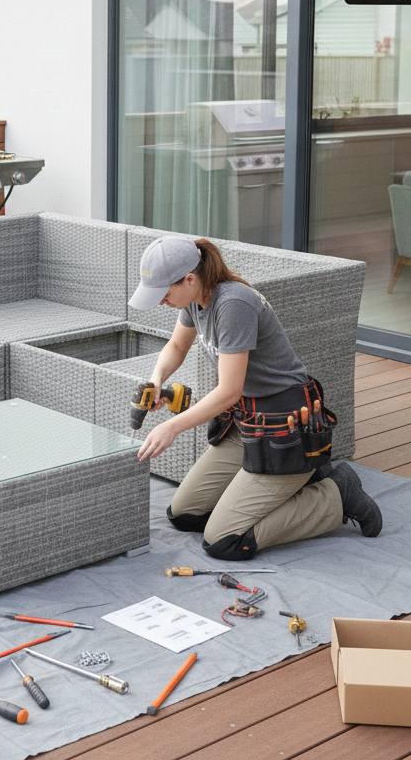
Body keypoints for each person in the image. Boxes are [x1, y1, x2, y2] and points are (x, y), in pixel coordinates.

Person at [129, 235, 382, 561]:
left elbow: (228, 391)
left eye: (164, 294)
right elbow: (177, 347)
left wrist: (172, 427)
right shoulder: (195, 300)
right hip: (247, 425)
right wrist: (156, 379)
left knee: (223, 541)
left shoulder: (234, 304)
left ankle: (335, 494)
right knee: (184, 514)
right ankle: (282, 485)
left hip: (285, 430)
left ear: (190, 278)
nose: (161, 302)